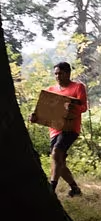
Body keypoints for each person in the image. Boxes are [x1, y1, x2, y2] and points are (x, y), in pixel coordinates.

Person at [30, 62, 88, 197]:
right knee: (59, 161)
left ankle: (51, 189)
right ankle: (75, 189)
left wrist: (73, 107)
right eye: (55, 73)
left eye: (60, 73)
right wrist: (34, 117)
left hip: (70, 128)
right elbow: (43, 111)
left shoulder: (78, 87)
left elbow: (83, 107)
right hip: (54, 129)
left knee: (56, 153)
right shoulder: (50, 90)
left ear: (68, 73)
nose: (57, 76)